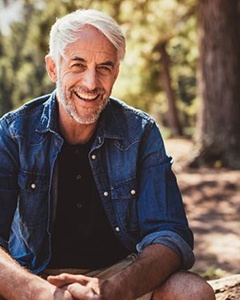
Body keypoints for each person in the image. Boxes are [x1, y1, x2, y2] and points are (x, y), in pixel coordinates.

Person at [0, 8, 215, 300]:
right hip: (35, 276)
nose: (91, 83)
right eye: (78, 65)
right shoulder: (13, 133)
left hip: (121, 275)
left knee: (191, 292)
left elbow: (169, 235)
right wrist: (44, 294)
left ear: (116, 72)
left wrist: (112, 290)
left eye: (104, 67)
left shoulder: (140, 132)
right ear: (53, 68)